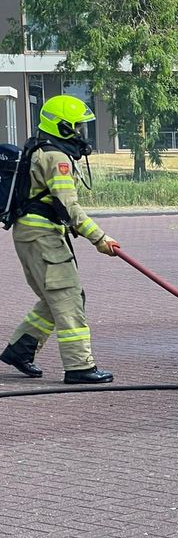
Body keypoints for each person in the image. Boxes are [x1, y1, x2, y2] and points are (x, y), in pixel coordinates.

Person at [1, 95, 117, 384]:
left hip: (31, 234)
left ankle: (20, 350)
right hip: (42, 237)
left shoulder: (42, 149)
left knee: (53, 298)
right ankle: (79, 367)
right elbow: (69, 206)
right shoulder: (56, 157)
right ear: (63, 127)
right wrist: (99, 238)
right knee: (67, 297)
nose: (82, 133)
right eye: (77, 127)